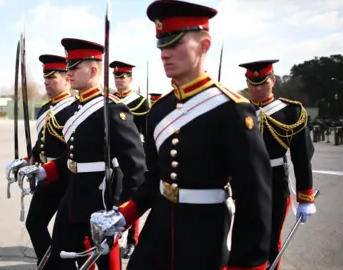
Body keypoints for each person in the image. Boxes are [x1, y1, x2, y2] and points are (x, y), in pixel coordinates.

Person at [89, 1, 273, 269]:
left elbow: (254, 198)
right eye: (162, 45)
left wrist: (247, 264)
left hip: (205, 234)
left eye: (174, 43)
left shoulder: (233, 111)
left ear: (204, 46)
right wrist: (125, 214)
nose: (165, 53)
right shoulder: (160, 110)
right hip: (159, 229)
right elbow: (154, 179)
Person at [20, 38, 146, 269]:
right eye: (68, 66)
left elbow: (136, 168)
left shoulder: (112, 109)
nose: (69, 72)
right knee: (60, 258)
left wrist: (122, 210)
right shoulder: (76, 108)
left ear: (94, 70)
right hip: (73, 197)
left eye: (75, 67)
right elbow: (69, 156)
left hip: (101, 200)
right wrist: (42, 171)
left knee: (108, 263)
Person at [238, 59, 317, 269]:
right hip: (245, 182)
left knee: (271, 239)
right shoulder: (237, 110)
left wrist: (305, 196)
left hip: (275, 181)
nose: (258, 88)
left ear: (273, 80)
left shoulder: (291, 112)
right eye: (253, 84)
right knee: (244, 237)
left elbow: (302, 157)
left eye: (263, 82)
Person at [7, 54, 77, 268]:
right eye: (45, 77)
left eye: (52, 77)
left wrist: (47, 168)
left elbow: (75, 149)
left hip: (67, 176)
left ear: (67, 79)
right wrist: (27, 160)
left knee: (66, 233)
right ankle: (48, 264)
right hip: (47, 177)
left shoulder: (75, 108)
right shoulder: (46, 108)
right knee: (34, 223)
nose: (46, 81)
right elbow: (41, 144)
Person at [109, 60, 149, 258]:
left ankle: (133, 240)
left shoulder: (141, 102)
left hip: (132, 155)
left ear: (130, 78)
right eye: (116, 77)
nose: (119, 80)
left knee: (131, 197)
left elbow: (145, 132)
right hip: (111, 157)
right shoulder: (108, 100)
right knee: (112, 198)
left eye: (122, 77)